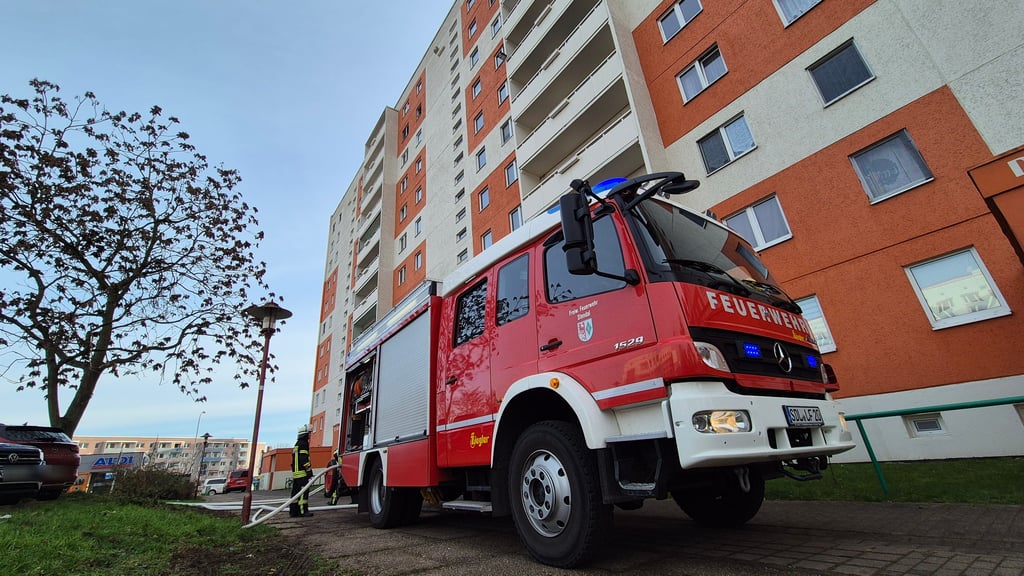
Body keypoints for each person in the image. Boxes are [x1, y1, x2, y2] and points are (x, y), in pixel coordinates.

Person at [290, 424, 314, 517]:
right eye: (309, 433)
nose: (309, 435)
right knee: (303, 493)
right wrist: (309, 471)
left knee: (295, 493)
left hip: (296, 473)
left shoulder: (297, 444)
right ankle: (303, 511)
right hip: (302, 473)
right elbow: (304, 459)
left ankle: (293, 512)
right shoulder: (304, 444)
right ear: (305, 434)